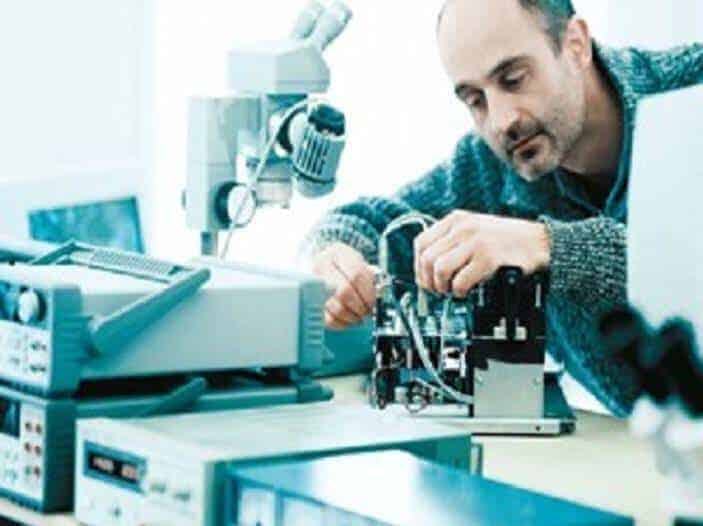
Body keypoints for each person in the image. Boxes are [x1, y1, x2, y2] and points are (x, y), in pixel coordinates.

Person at [303, 0, 703, 417]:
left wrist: (551, 246)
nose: (500, 121)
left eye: (513, 80)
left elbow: (688, 269)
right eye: (475, 100)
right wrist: (336, 256)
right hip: (655, 445)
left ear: (576, 45)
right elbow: (375, 222)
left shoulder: (692, 88)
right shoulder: (497, 164)